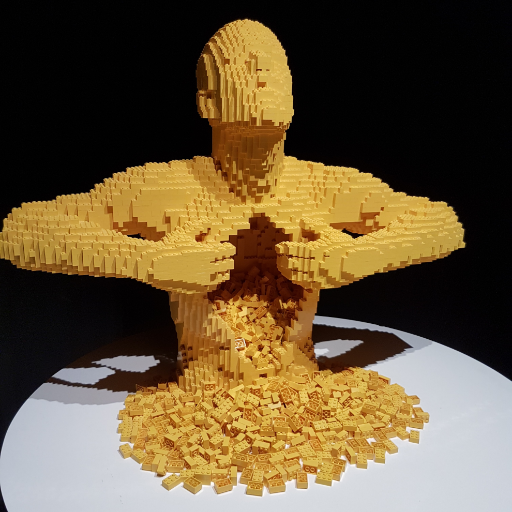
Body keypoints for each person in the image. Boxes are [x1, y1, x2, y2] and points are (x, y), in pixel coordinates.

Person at [0, 19, 464, 390]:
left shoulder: (324, 185)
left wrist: (360, 256)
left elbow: (443, 224)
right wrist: (147, 260)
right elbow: (21, 228)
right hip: (204, 398)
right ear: (207, 103)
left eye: (278, 68)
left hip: (303, 394)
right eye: (246, 65)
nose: (266, 74)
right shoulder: (167, 188)